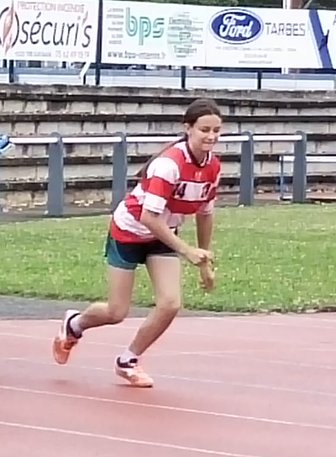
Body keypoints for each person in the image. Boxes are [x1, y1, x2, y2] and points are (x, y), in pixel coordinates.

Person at [51, 97, 222, 388]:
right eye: (204, 129)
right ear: (188, 128)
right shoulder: (168, 165)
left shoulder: (213, 167)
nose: (211, 136)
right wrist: (186, 250)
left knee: (170, 304)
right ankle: (74, 325)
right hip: (130, 230)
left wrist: (203, 260)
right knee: (117, 312)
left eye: (216, 131)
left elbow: (205, 214)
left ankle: (128, 360)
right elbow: (148, 217)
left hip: (163, 235)